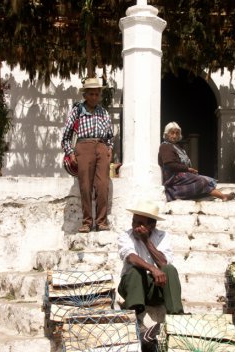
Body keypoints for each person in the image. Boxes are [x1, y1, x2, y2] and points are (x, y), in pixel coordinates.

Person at [61, 77, 113, 233]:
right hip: (83, 147)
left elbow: (110, 134)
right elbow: (65, 136)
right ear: (85, 95)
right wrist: (70, 153)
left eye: (97, 94)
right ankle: (87, 222)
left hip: (102, 147)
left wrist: (109, 148)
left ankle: (102, 221)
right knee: (85, 186)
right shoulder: (77, 111)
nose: (95, 97)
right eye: (91, 94)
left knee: (103, 185)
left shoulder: (103, 112)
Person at [118, 200, 184, 316]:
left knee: (169, 269)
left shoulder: (162, 236)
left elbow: (163, 262)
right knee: (135, 270)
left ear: (152, 225)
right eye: (134, 222)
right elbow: (130, 257)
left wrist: (146, 241)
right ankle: (135, 316)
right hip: (133, 287)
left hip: (156, 288)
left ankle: (176, 315)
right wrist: (152, 269)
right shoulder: (125, 236)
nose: (135, 226)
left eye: (140, 223)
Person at [158, 122, 235, 202]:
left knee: (205, 180)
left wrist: (188, 171)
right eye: (172, 133)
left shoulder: (177, 147)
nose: (174, 136)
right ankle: (223, 196)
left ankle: (223, 196)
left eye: (177, 133)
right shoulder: (165, 146)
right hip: (174, 180)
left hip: (181, 176)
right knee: (202, 181)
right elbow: (169, 164)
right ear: (167, 134)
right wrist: (188, 169)